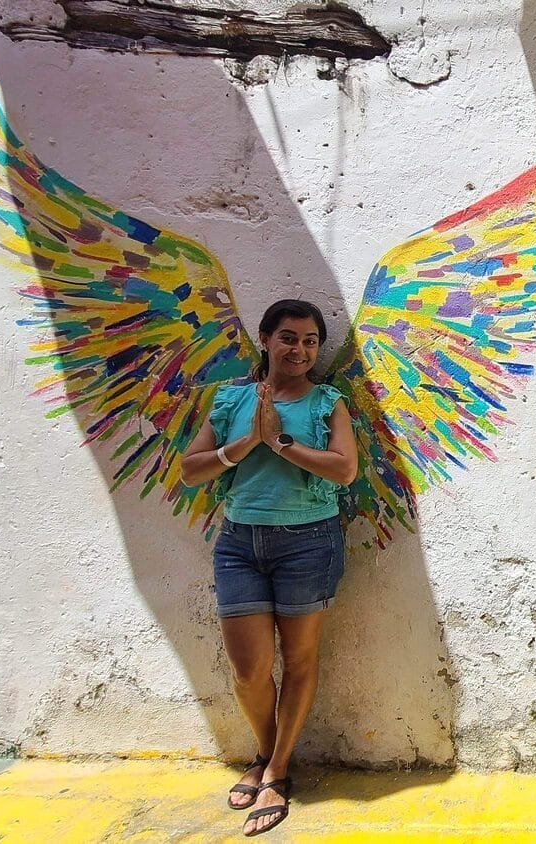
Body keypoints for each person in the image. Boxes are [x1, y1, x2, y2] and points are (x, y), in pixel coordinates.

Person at [182, 299, 358, 836]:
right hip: (239, 543)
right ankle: (263, 751)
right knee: (249, 670)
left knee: (300, 658)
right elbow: (192, 471)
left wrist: (280, 441)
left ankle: (277, 771)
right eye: (288, 338)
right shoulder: (230, 398)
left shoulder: (329, 402)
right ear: (264, 339)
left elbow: (345, 469)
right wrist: (248, 442)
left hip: (309, 541)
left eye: (309, 341)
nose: (299, 350)